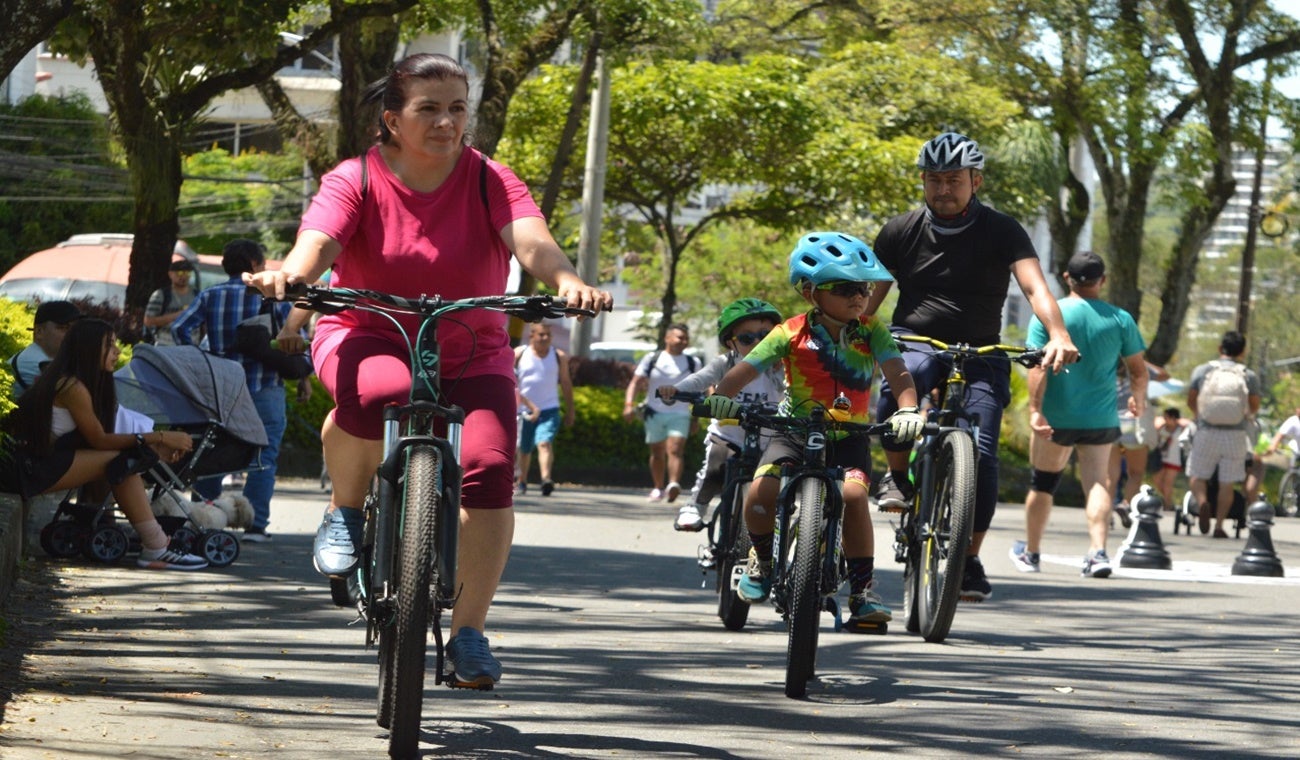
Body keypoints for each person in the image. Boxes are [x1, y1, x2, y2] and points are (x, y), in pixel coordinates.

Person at [242, 53, 612, 688]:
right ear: (392, 119)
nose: (447, 122)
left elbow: (531, 240)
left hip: (475, 345)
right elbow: (320, 241)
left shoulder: (490, 178)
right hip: (367, 330)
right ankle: (347, 510)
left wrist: (568, 280)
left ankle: (469, 633)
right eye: (429, 109)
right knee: (378, 392)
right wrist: (293, 276)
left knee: (492, 469)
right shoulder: (354, 176)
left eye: (458, 109)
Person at [869, 131, 1079, 601]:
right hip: (915, 339)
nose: (944, 189)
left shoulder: (1003, 230)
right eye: (934, 180)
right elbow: (872, 298)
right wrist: (856, 332)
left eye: (954, 180)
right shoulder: (900, 230)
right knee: (900, 385)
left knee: (982, 453)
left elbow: (1035, 287)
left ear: (976, 180)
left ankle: (968, 557)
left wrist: (1059, 334)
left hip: (981, 348)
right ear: (923, 181)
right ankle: (897, 476)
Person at [700, 232, 924, 629]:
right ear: (810, 292)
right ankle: (763, 561)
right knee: (761, 490)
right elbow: (744, 369)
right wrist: (720, 396)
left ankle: (862, 591)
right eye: (844, 288)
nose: (858, 296)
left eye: (863, 287)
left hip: (849, 436)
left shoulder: (872, 330)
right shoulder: (789, 332)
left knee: (854, 496)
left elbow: (898, 373)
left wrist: (908, 409)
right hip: (794, 431)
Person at [2, 319, 205, 569]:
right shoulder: (72, 386)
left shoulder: (79, 381)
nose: (118, 352)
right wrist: (160, 438)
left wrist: (153, 447)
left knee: (123, 459)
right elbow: (99, 440)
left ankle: (154, 543)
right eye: (110, 346)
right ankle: (156, 546)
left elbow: (103, 437)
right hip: (27, 469)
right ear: (89, 349)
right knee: (122, 462)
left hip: (37, 463)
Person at [1008, 251, 1147, 578]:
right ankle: (1098, 553)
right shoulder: (1120, 318)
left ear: (1067, 278)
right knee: (1099, 482)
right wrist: (1136, 400)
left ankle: (1032, 553)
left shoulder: (1049, 315)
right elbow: (1139, 372)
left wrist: (1035, 410)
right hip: (1100, 419)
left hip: (1056, 418)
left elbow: (1038, 366)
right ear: (1103, 280)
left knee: (1042, 483)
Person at [171, 239, 291, 544]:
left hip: (221, 390)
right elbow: (295, 338)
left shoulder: (211, 295)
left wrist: (201, 363)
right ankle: (254, 525)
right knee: (264, 457)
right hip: (265, 385)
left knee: (212, 452)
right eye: (262, 263)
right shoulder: (274, 297)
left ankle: (208, 519)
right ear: (253, 263)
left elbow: (179, 328)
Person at [655, 298, 784, 532]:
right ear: (731, 343)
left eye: (766, 336)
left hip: (769, 437)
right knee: (715, 465)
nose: (758, 343)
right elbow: (700, 379)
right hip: (729, 434)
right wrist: (676, 390)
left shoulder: (781, 366)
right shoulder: (725, 363)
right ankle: (696, 506)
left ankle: (775, 525)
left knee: (777, 479)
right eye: (747, 338)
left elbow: (797, 391)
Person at [1185, 330, 1261, 538]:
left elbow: (1191, 399)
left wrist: (1199, 415)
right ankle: (1219, 525)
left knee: (1197, 475)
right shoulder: (1248, 375)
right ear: (1242, 352)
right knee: (1227, 482)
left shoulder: (1202, 371)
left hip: (1207, 430)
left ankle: (1202, 503)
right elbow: (1254, 404)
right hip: (1235, 435)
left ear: (1220, 349)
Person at [622, 324, 698, 503]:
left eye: (686, 338)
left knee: (675, 448)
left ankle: (673, 484)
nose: (683, 341)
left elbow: (700, 388)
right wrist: (628, 405)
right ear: (667, 338)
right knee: (657, 451)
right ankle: (658, 487)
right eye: (680, 337)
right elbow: (635, 382)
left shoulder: (692, 362)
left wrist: (698, 416)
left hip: (680, 412)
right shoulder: (653, 358)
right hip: (654, 411)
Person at [513, 323, 574, 497]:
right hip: (525, 411)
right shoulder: (519, 354)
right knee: (524, 449)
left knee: (544, 443)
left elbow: (566, 383)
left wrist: (570, 410)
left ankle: (546, 479)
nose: (545, 338)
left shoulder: (558, 356)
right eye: (541, 335)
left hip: (549, 409)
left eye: (548, 335)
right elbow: (512, 382)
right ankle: (522, 481)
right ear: (532, 335)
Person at [1109, 359, 1169, 519]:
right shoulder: (1138, 366)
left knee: (1110, 475)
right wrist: (1140, 360)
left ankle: (1105, 511)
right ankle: (1126, 505)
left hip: (1110, 422)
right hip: (1133, 424)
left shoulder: (1106, 363)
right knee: (1135, 473)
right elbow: (1164, 375)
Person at [9, 300, 84, 396]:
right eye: (64, 328)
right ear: (39, 332)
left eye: (75, 328)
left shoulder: (42, 357)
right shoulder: (38, 363)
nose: (72, 334)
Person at [142, 259, 196, 346]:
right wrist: (177, 315)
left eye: (188, 273)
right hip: (165, 346)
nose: (184, 276)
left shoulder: (197, 296)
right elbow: (148, 321)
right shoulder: (160, 295)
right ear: (170, 274)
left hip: (191, 346)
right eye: (180, 273)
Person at [1152, 407, 1192, 509]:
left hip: (1174, 461)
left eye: (1167, 417)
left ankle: (1167, 504)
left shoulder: (1181, 429)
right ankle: (1168, 500)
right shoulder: (1162, 427)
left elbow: (1189, 424)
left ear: (1173, 417)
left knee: (1167, 483)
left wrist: (1178, 421)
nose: (1164, 419)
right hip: (1162, 459)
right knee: (1157, 480)